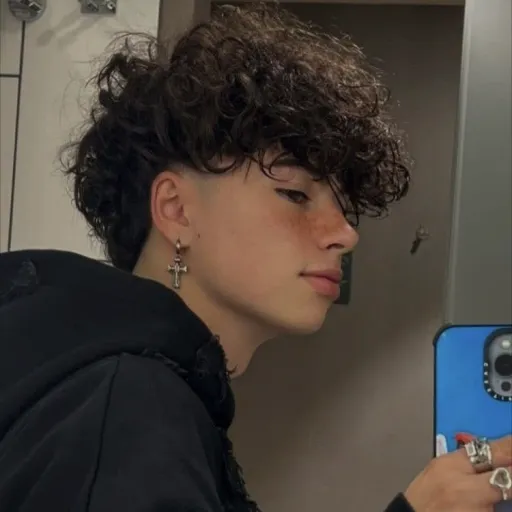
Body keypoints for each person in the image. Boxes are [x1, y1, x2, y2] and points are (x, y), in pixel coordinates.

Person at [0, 4, 510, 512]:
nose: (346, 234)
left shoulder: (128, 389)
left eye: (345, 207)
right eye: (295, 194)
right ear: (176, 210)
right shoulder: (129, 406)